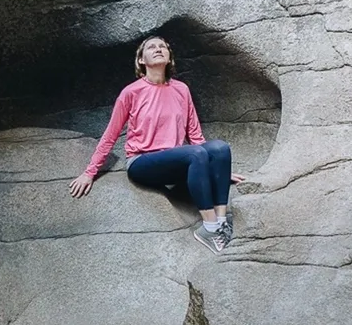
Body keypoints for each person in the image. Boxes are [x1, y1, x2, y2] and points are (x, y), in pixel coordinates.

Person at [68, 35, 238, 254]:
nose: (158, 49)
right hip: (143, 163)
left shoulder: (181, 90)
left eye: (162, 47)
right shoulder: (131, 92)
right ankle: (209, 227)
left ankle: (222, 221)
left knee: (220, 148)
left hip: (178, 161)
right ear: (141, 60)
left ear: (169, 58)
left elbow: (195, 135)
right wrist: (89, 172)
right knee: (196, 154)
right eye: (151, 47)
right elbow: (110, 135)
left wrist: (218, 169)